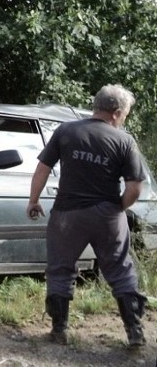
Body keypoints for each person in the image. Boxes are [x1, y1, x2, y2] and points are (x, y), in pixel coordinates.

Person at [26, 84, 147, 347]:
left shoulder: (66, 131)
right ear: (116, 113)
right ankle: (135, 332)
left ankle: (59, 330)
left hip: (67, 215)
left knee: (60, 269)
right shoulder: (124, 140)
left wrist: (33, 201)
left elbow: (42, 169)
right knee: (120, 271)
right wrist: (118, 208)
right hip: (108, 215)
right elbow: (135, 187)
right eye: (125, 113)